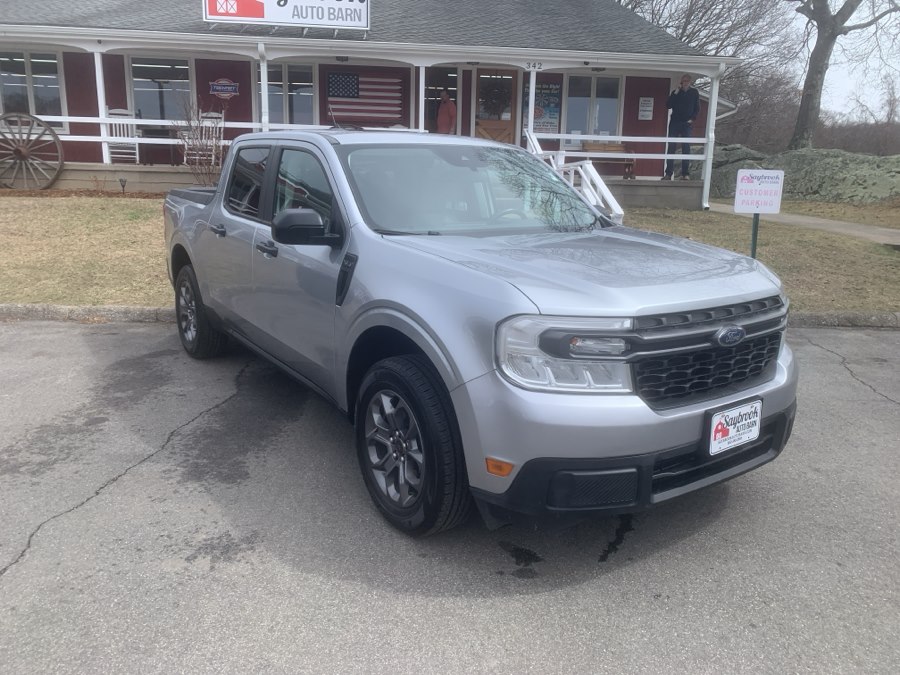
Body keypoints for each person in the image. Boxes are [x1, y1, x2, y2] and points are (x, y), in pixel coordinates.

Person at [663, 74, 700, 180]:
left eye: (687, 81)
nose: (685, 83)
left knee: (686, 147)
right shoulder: (676, 93)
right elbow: (668, 105)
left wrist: (692, 119)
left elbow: (697, 108)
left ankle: (685, 174)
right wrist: (676, 92)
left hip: (686, 123)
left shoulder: (694, 93)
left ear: (690, 82)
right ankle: (668, 173)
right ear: (681, 82)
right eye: (684, 81)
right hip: (675, 122)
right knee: (671, 146)